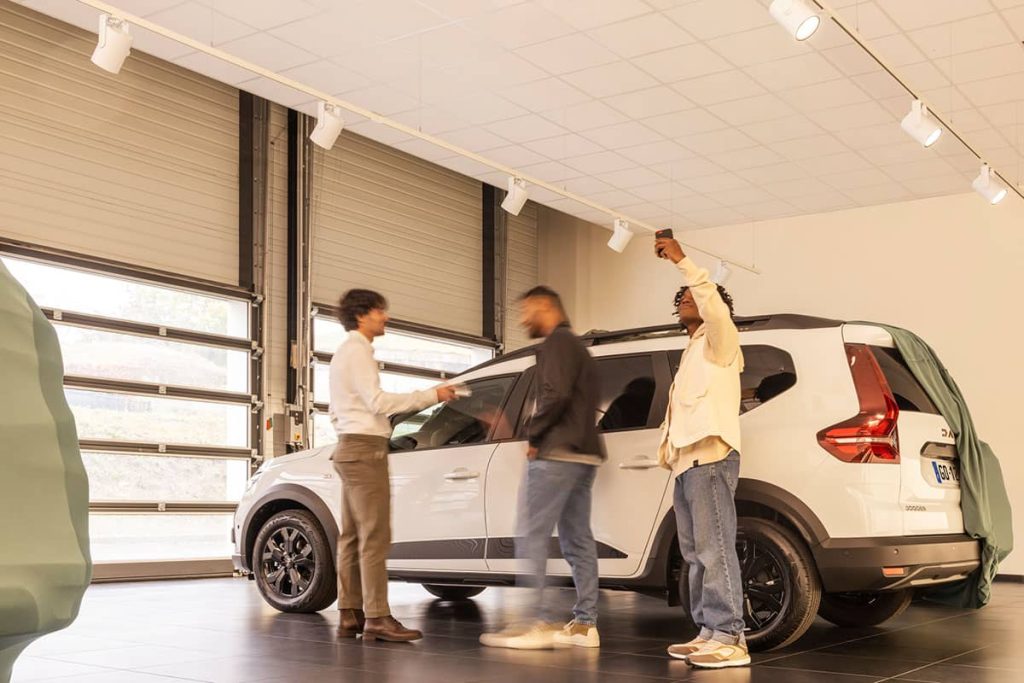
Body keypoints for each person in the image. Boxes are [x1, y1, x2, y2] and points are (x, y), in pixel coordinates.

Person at [480, 286, 605, 650]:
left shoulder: (556, 344)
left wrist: (533, 435)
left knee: (532, 534)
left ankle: (531, 623)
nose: (522, 319)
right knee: (578, 539)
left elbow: (556, 395)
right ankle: (585, 625)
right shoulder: (578, 347)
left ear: (544, 306)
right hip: (583, 455)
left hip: (557, 454)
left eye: (526, 311)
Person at [329, 289, 457, 642]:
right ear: (362, 315)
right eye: (380, 311)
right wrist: (432, 395)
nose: (386, 316)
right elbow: (379, 402)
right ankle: (378, 617)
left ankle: (350, 614)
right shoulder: (357, 353)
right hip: (366, 450)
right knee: (375, 536)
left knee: (352, 537)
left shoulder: (343, 354)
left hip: (348, 447)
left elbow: (337, 410)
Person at [654, 237, 750, 669]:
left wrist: (683, 262)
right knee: (693, 554)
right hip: (686, 463)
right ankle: (708, 631)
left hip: (711, 458)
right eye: (682, 297)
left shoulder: (721, 339)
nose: (686, 298)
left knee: (715, 550)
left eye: (692, 294)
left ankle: (731, 637)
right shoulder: (692, 351)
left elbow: (711, 302)